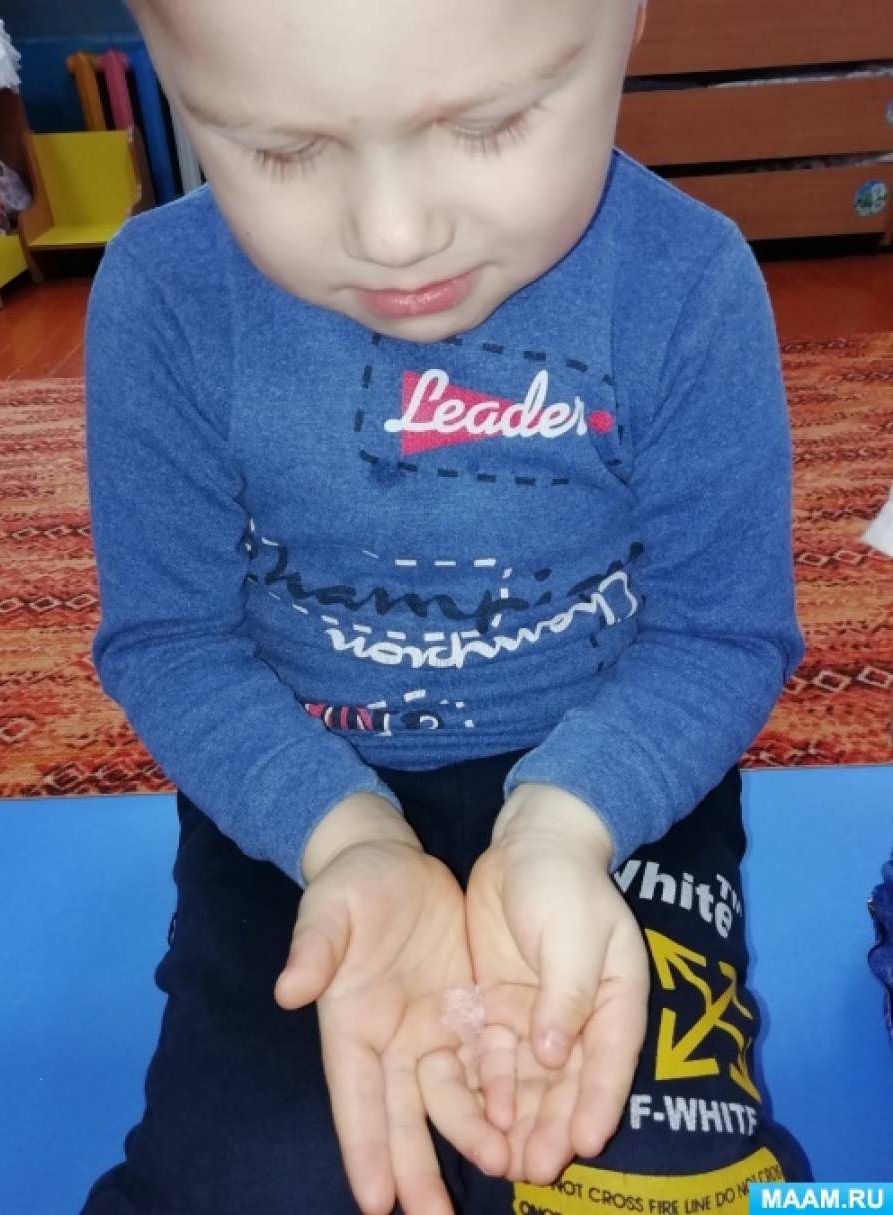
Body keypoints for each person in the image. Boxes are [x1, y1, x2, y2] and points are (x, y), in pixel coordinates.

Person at [81, 1, 812, 1211]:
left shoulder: (686, 284)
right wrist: (341, 837)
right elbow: (170, 641)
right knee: (248, 1182)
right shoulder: (165, 295)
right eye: (279, 149)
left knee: (675, 1188)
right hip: (301, 793)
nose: (394, 234)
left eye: (488, 126)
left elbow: (719, 632)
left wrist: (566, 825)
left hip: (616, 787)